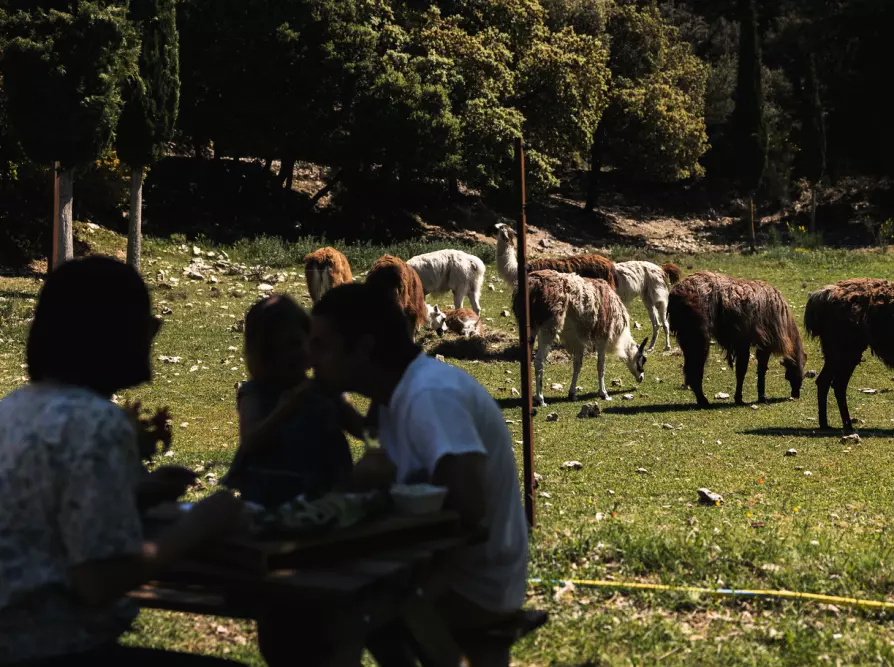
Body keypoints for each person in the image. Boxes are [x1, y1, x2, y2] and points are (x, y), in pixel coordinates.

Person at [0, 256, 246, 666]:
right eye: (145, 323)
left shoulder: (16, 407)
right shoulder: (97, 422)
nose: (153, 333)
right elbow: (99, 581)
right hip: (54, 648)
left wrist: (139, 493)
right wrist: (199, 525)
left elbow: (46, 510)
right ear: (110, 335)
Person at [309, 283, 529, 665]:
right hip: (442, 570)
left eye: (322, 345)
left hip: (475, 583)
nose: (311, 358)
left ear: (362, 348)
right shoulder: (395, 395)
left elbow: (470, 508)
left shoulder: (429, 394)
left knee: (333, 619)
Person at [224, 294, 363, 507]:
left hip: (327, 494)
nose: (291, 354)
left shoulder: (323, 389)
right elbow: (250, 441)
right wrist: (284, 410)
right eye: (277, 349)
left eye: (296, 343)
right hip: (271, 497)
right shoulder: (255, 393)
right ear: (262, 354)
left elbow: (363, 430)